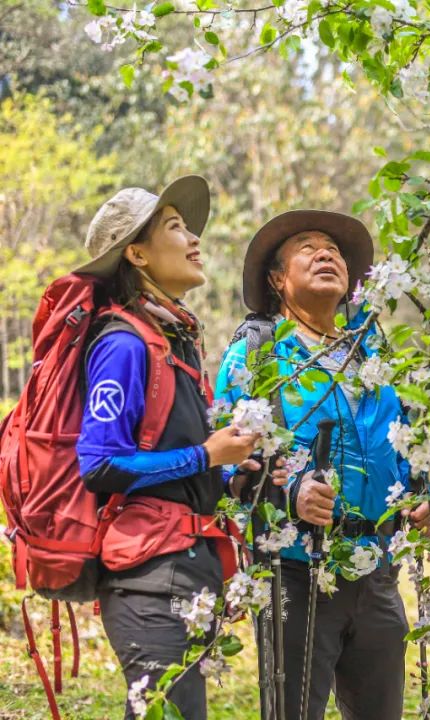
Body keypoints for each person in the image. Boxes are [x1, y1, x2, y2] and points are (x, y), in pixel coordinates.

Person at [217, 210, 430, 720]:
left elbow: (401, 444)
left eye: (334, 249)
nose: (326, 254)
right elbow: (228, 461)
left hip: (376, 567)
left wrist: (418, 493)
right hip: (294, 566)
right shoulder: (260, 353)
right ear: (277, 279)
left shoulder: (373, 356)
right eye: (307, 248)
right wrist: (288, 494)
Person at [75, 176, 259, 719]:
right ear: (137, 254)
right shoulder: (124, 343)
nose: (193, 238)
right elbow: (100, 462)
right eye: (175, 227)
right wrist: (206, 456)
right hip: (148, 580)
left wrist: (232, 470)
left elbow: (182, 467)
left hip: (184, 569)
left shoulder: (172, 341)